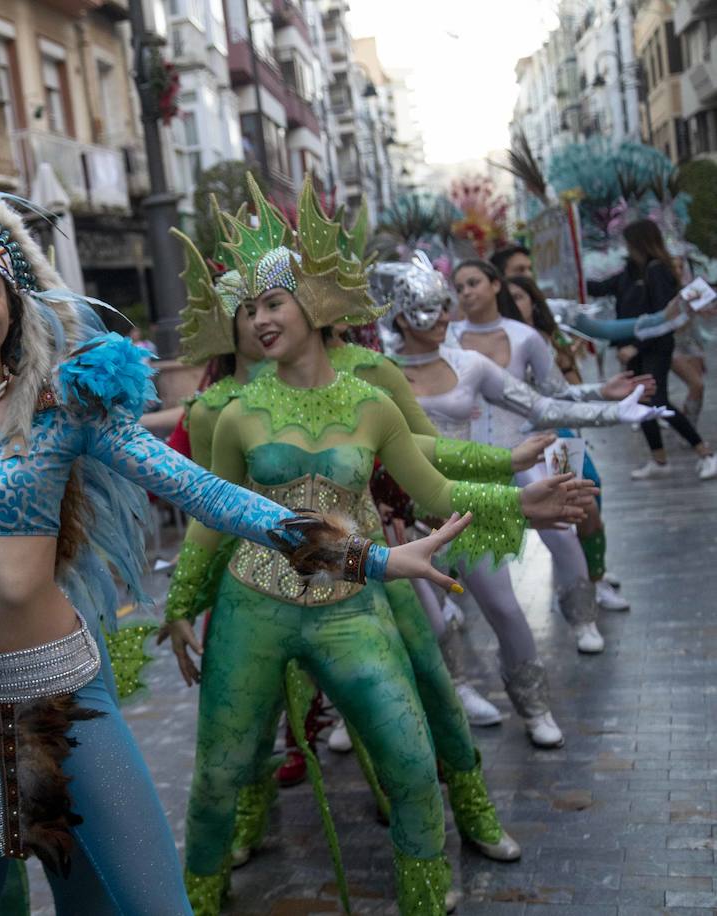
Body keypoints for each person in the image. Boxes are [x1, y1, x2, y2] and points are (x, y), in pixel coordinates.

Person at [0, 183, 475, 916]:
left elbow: (209, 495)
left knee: (147, 905)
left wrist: (366, 558)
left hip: (62, 695)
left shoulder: (67, 405)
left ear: (16, 302)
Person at [158, 180, 595, 915]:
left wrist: (517, 497)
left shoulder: (372, 398)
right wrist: (179, 605)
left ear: (316, 305)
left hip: (351, 603)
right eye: (250, 307)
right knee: (219, 774)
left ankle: (426, 892)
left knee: (412, 759)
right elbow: (212, 515)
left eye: (275, 301)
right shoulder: (232, 414)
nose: (260, 318)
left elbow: (432, 487)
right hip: (254, 606)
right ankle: (200, 895)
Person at [372, 257, 669, 746]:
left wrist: (611, 408)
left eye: (446, 304)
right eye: (431, 308)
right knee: (432, 623)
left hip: (467, 503)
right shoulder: (378, 373)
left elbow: (540, 404)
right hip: (404, 518)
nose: (446, 316)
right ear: (401, 317)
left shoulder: (469, 364)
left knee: (505, 610)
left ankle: (534, 706)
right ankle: (457, 692)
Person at [450, 258, 647, 653]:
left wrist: (599, 393)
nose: (467, 292)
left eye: (474, 282)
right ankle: (451, 606)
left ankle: (583, 618)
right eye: (460, 287)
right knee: (459, 538)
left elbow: (554, 394)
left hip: (535, 447)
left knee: (564, 529)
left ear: (494, 285)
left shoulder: (526, 336)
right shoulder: (448, 338)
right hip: (472, 458)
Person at [586, 218, 717, 480]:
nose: (625, 247)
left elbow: (662, 316)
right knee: (640, 400)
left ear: (640, 242)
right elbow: (599, 288)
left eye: (629, 242)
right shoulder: (631, 271)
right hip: (633, 348)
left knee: (657, 400)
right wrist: (571, 273)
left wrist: (635, 346)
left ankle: (705, 453)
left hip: (654, 346)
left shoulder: (658, 271)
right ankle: (659, 460)